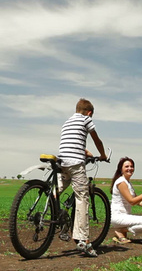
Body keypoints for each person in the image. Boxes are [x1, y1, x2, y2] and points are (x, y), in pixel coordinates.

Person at [58, 98, 108, 257]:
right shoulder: (86, 120)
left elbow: (73, 141)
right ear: (90, 113)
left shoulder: (67, 122)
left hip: (62, 161)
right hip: (75, 163)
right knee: (82, 197)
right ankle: (84, 241)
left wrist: (85, 151)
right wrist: (102, 154)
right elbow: (97, 140)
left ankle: (53, 212)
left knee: (57, 189)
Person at [109, 157, 142, 244]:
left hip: (124, 216)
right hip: (118, 216)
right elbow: (132, 201)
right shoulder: (121, 182)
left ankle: (121, 233)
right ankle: (120, 230)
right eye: (127, 166)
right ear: (121, 169)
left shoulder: (127, 183)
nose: (130, 168)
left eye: (131, 166)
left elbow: (137, 201)